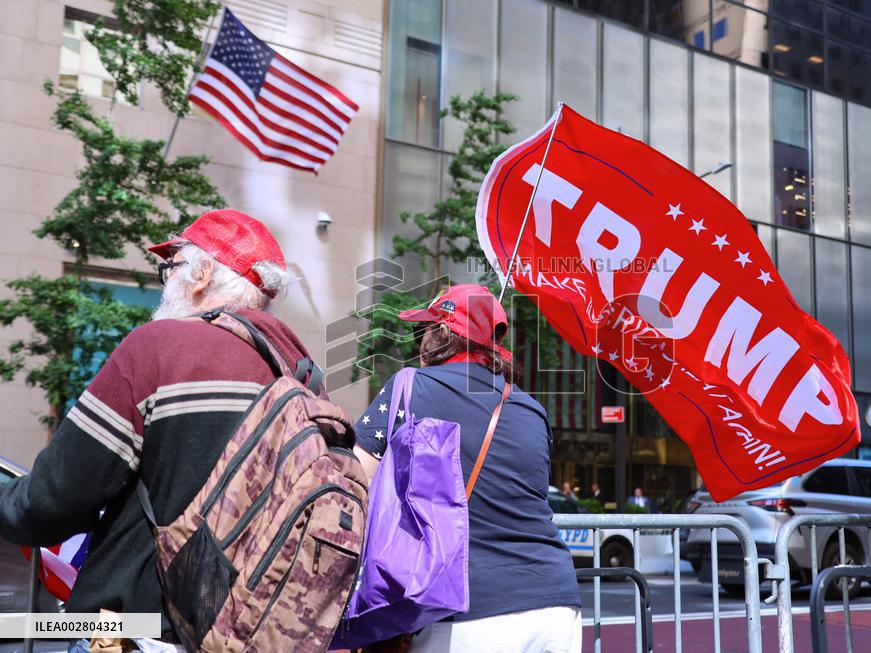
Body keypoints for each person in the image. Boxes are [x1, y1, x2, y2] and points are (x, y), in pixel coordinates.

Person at [0, 209, 321, 651]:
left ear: (203, 274)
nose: (164, 282)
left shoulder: (160, 348)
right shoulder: (302, 374)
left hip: (136, 631)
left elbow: (52, 501)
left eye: (169, 267)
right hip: (254, 634)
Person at [353, 284, 582, 653]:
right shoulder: (530, 408)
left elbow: (355, 480)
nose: (419, 341)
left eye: (423, 330)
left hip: (463, 612)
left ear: (441, 334)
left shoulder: (410, 386)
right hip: (554, 604)